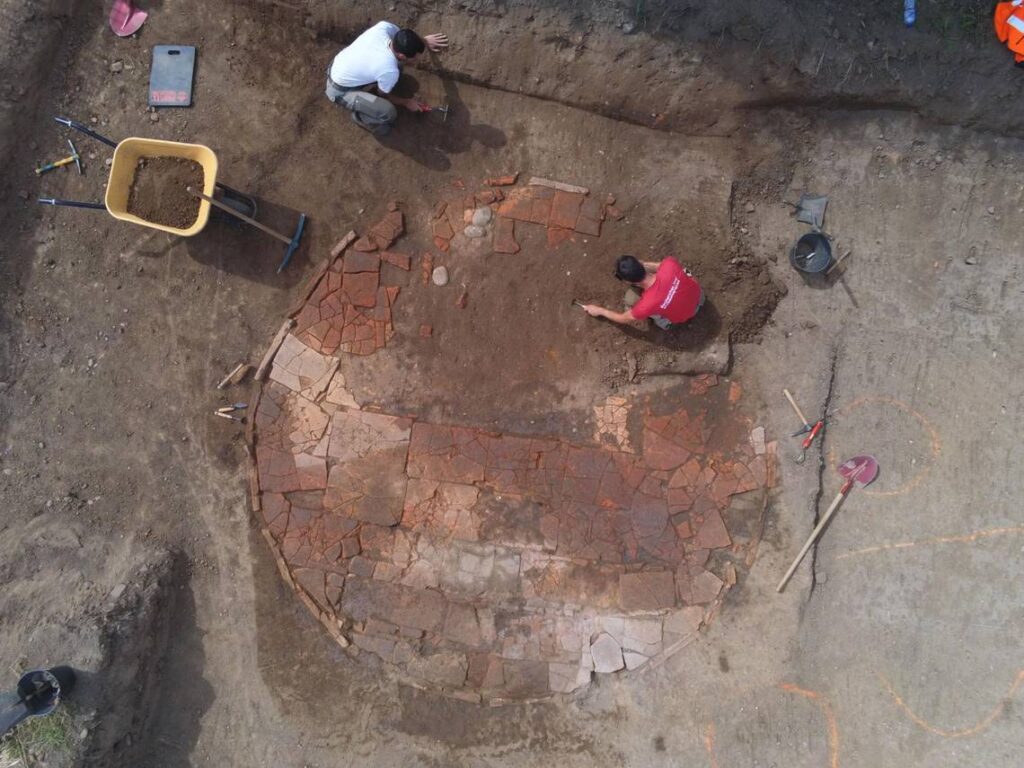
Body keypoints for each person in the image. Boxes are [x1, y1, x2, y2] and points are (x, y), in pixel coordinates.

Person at [326, 22, 449, 136]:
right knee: (388, 112)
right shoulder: (389, 70)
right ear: (401, 55)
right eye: (415, 59)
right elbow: (383, 95)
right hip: (340, 90)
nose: (417, 61)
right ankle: (359, 117)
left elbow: (405, 38)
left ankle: (371, 90)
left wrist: (424, 41)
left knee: (396, 69)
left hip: (339, 65)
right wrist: (407, 102)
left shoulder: (384, 27)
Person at [581, 255, 704, 330]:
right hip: (699, 297)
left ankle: (665, 324)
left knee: (630, 299)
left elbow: (624, 318)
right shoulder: (669, 264)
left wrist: (600, 311)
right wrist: (642, 264)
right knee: (683, 272)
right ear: (639, 262)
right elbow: (658, 266)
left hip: (686, 316)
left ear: (627, 281)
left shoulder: (646, 305)